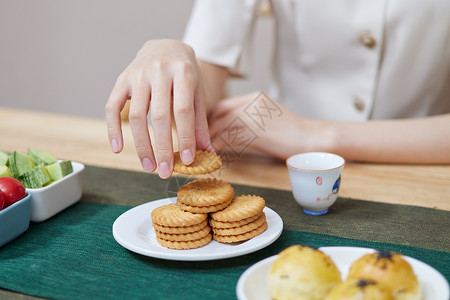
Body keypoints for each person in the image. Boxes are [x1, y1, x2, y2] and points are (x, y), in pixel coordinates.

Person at [105, 0, 450, 179]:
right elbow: (207, 73)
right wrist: (177, 56)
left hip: (422, 172)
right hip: (278, 169)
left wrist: (315, 135)